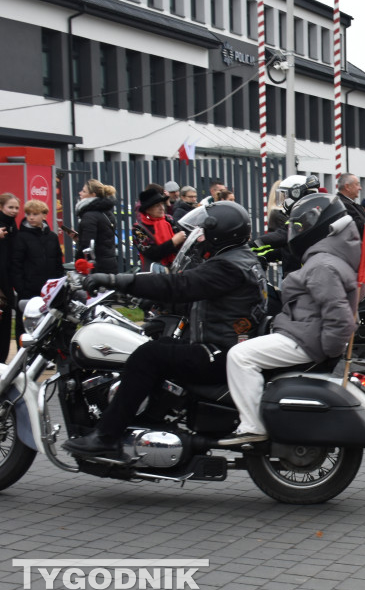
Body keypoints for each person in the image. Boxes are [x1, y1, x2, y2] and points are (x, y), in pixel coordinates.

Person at [63, 201, 268, 458]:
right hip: (223, 345)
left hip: (218, 353)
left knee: (146, 355)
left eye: (204, 232)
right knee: (157, 345)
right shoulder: (239, 258)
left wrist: (115, 281)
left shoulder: (227, 266)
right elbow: (198, 293)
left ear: (220, 233)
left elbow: (180, 285)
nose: (200, 237)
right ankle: (150, 420)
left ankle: (106, 436)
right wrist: (151, 298)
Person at [220, 195, 359, 445]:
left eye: (302, 226)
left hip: (305, 340)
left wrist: (327, 352)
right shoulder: (328, 257)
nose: (298, 231)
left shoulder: (322, 264)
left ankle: (252, 426)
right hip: (303, 332)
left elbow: (339, 317)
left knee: (240, 356)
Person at [10, 199, 63, 303]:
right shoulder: (21, 237)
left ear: (44, 216)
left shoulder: (52, 237)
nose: (31, 217)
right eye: (28, 214)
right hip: (28, 290)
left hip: (49, 289)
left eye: (35, 214)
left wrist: (58, 283)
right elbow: (16, 264)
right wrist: (21, 288)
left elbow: (58, 262)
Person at [132, 187, 187, 272]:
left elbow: (183, 242)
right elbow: (152, 254)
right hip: (155, 273)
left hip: (177, 269)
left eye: (162, 204)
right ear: (147, 209)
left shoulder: (169, 219)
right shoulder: (138, 229)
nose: (162, 208)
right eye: (157, 206)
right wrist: (173, 242)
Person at [75, 179, 119, 274]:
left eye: (84, 191)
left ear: (93, 195)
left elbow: (87, 244)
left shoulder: (89, 215)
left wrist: (78, 260)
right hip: (109, 263)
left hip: (95, 267)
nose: (80, 193)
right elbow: (103, 238)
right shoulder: (107, 213)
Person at [0, 193, 21, 359]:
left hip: (7, 280)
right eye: (10, 207)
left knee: (6, 322)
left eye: (16, 208)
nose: (14, 211)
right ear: (1, 207)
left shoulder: (13, 226)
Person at [337, 173, 365, 237]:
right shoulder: (343, 205)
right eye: (357, 184)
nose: (360, 188)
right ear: (347, 187)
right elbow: (360, 228)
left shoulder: (348, 203)